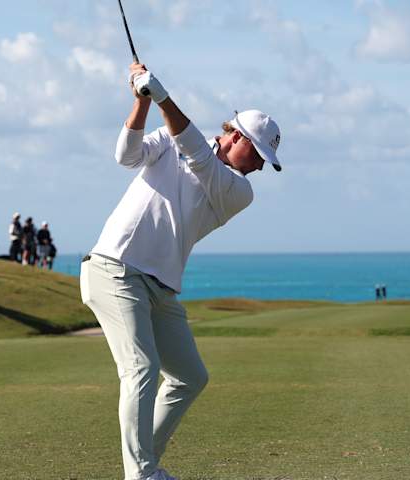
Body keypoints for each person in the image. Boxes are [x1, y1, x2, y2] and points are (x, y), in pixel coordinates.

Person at [80, 62, 282, 480]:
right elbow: (126, 156)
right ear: (237, 136)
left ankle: (144, 466)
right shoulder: (171, 139)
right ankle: (141, 474)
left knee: (189, 376)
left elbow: (199, 157)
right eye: (259, 154)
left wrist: (162, 96)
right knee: (141, 368)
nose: (261, 166)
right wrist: (142, 101)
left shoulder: (238, 190)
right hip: (115, 268)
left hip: (160, 287)